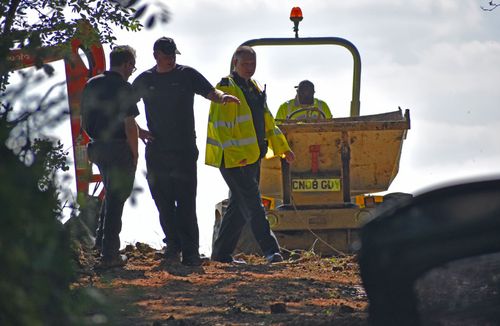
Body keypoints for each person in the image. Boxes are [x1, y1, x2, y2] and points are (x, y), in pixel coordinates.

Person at [132, 37, 239, 267]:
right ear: (156, 55)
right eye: (166, 55)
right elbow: (124, 107)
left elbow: (210, 91)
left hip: (184, 151)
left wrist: (222, 98)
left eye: (173, 55)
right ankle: (173, 246)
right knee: (163, 202)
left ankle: (190, 252)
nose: (170, 59)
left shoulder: (186, 75)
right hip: (157, 151)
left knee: (187, 202)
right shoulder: (144, 79)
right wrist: (138, 131)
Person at [206, 46, 295, 264]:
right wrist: (237, 155)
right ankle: (271, 251)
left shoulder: (253, 87)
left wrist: (282, 148)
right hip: (234, 160)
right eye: (245, 64)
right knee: (254, 204)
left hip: (252, 157)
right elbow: (221, 128)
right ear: (235, 62)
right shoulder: (227, 88)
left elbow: (268, 122)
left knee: (238, 207)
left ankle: (221, 255)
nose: (249, 68)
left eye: (253, 64)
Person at [81, 45, 139, 269]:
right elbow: (129, 124)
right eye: (132, 66)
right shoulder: (123, 87)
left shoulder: (91, 83)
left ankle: (101, 244)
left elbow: (88, 119)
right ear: (126, 64)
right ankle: (110, 256)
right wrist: (134, 153)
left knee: (110, 194)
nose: (132, 70)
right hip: (118, 149)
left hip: (97, 147)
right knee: (117, 199)